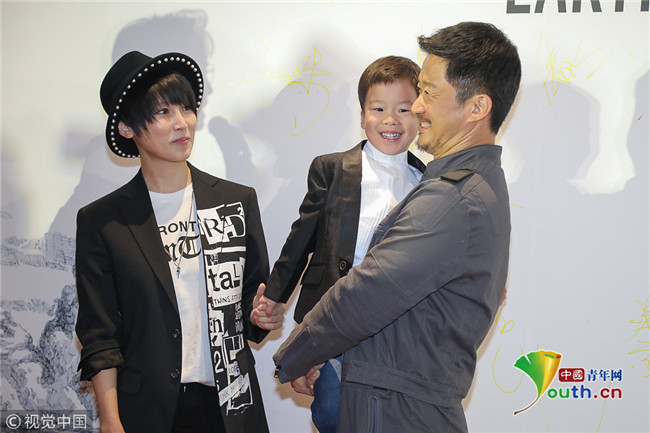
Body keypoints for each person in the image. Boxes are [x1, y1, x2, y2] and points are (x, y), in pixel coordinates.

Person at [271, 21, 521, 432]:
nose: (417, 107)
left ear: (477, 108)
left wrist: (298, 353)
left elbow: (370, 290)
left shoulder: (453, 197)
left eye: (429, 93)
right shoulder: (468, 185)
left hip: (396, 412)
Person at [75, 51, 283, 433]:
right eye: (162, 112)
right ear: (127, 127)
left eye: (186, 108)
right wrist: (110, 420)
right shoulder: (103, 222)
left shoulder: (235, 201)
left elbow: (252, 302)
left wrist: (262, 315)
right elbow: (99, 334)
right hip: (147, 412)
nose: (181, 123)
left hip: (230, 407)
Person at [253, 56, 425, 432]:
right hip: (334, 316)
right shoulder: (331, 168)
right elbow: (302, 238)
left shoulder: (428, 181)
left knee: (390, 417)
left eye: (403, 109)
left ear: (420, 116)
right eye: (378, 109)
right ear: (362, 116)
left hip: (397, 326)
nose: (391, 120)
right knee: (332, 411)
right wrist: (274, 298)